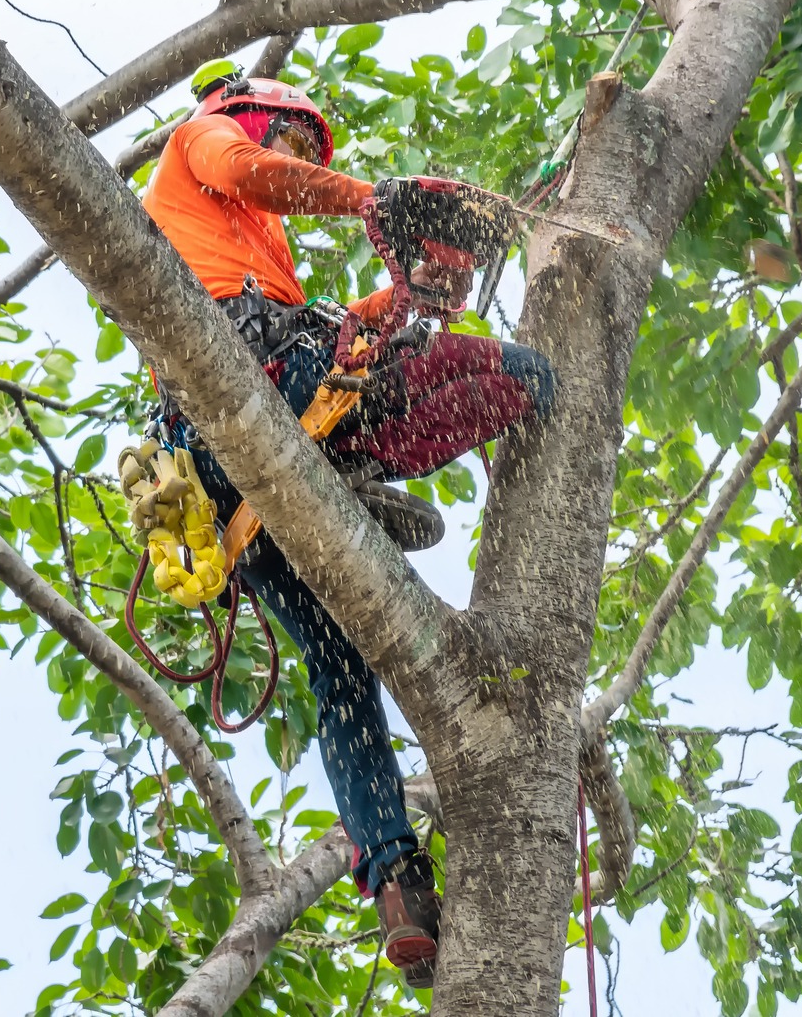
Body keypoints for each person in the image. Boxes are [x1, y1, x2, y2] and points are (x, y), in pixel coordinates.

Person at [140, 71, 555, 988]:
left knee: (341, 672)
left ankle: (395, 879)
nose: (299, 164)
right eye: (297, 142)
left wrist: (411, 297)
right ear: (262, 117)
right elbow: (253, 172)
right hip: (253, 384)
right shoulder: (204, 143)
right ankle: (349, 476)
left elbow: (337, 333)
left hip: (252, 463)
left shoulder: (255, 248)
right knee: (525, 373)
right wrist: (380, 200)